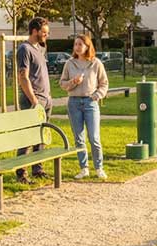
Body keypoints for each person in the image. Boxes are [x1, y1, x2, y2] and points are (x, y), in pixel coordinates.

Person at [59, 33, 109, 179]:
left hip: (90, 102)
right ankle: (84, 168)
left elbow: (104, 83)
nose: (77, 47)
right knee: (79, 138)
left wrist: (97, 95)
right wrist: (73, 82)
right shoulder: (69, 63)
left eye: (80, 44)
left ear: (87, 46)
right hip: (74, 102)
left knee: (94, 137)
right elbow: (62, 84)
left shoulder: (96, 63)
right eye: (75, 44)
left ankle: (99, 167)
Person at [14, 17, 52, 183]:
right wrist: (34, 101)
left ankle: (38, 168)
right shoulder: (24, 49)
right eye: (44, 32)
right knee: (28, 137)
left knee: (40, 135)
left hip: (45, 99)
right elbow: (23, 77)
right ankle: (21, 173)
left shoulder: (40, 48)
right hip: (33, 99)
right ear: (35, 31)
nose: (46, 36)